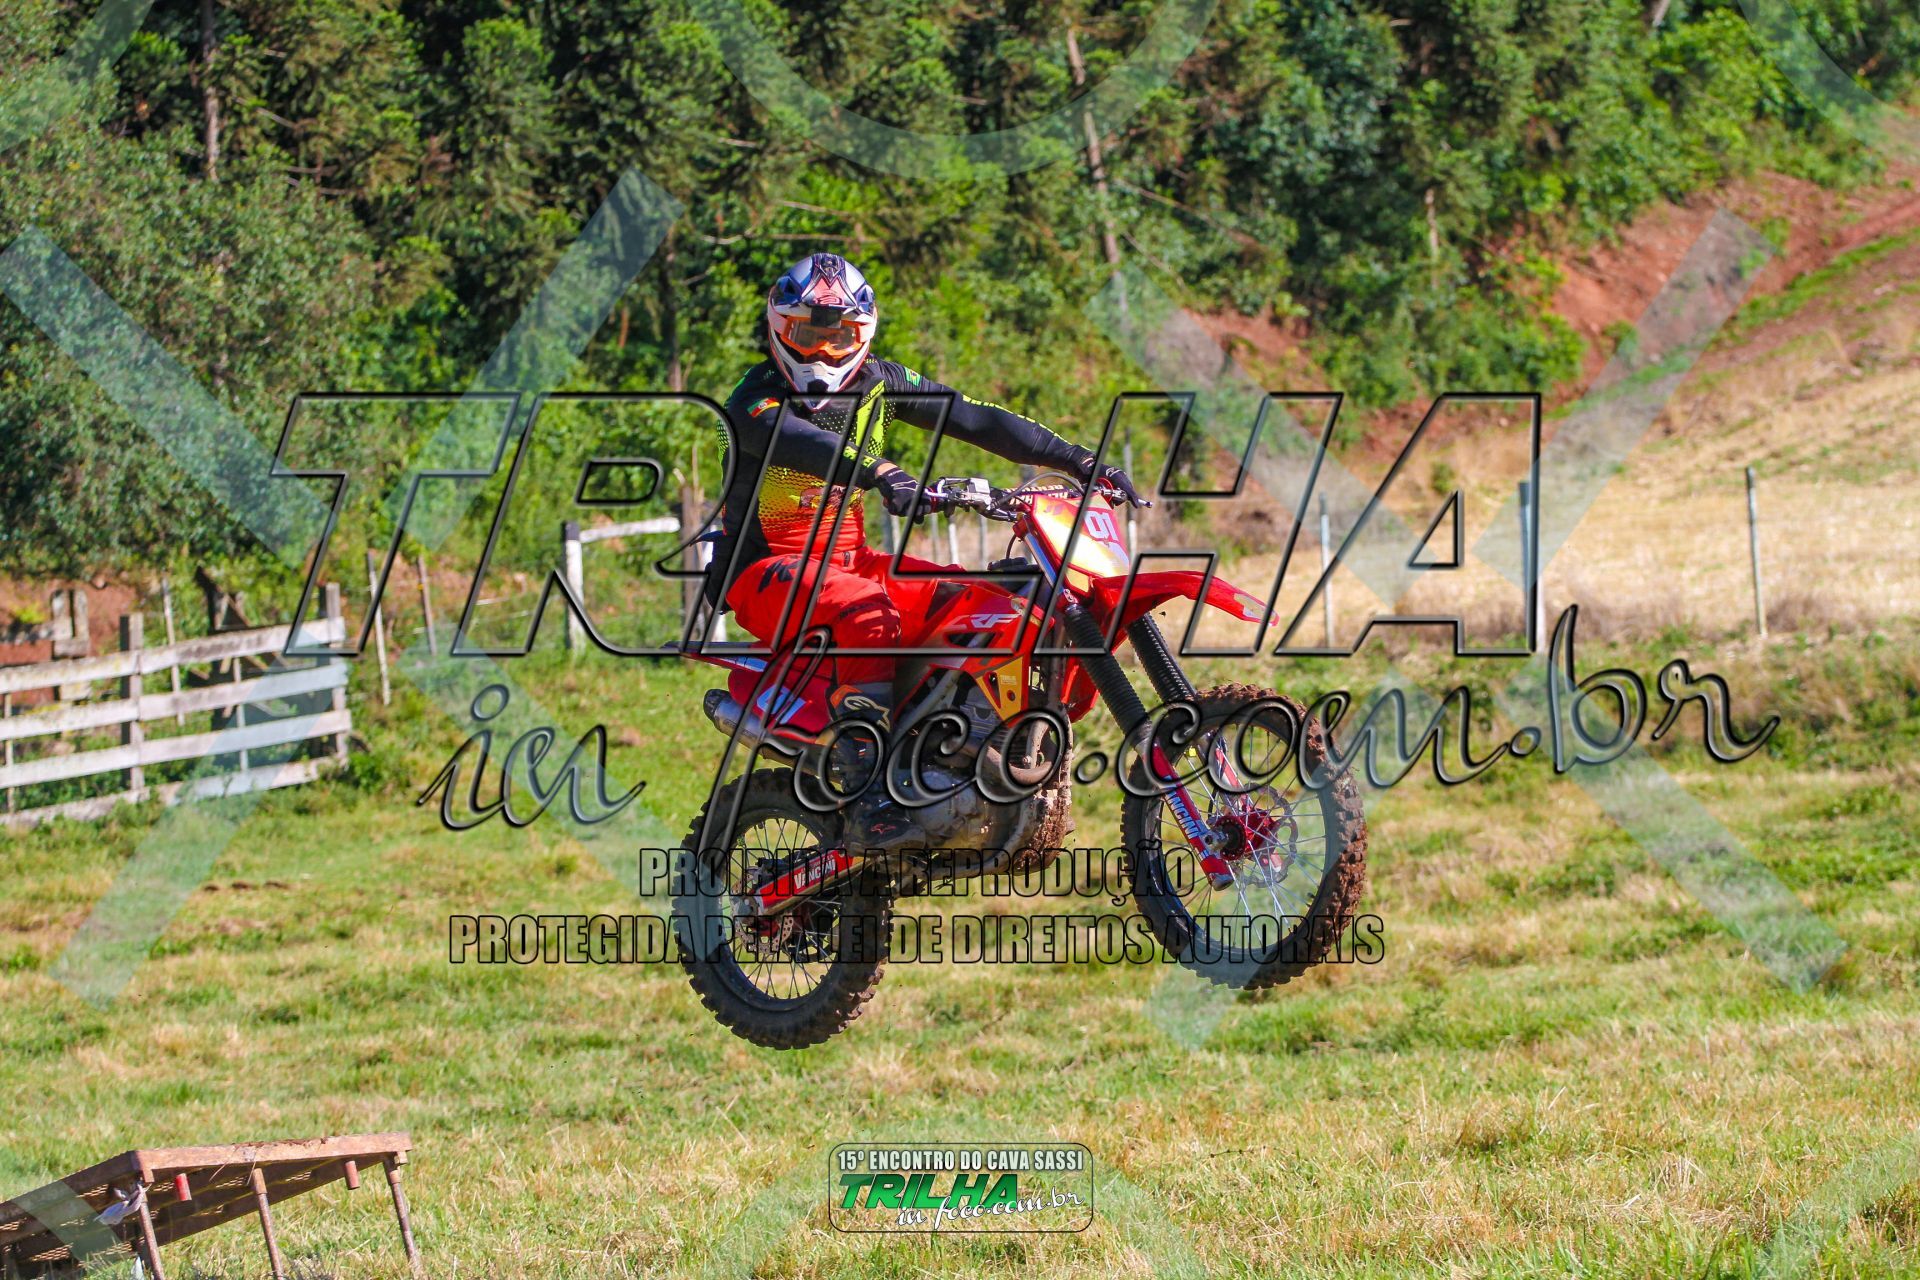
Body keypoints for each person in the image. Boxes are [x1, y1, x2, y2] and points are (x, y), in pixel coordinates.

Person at [710, 252, 1145, 850]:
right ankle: (869, 798)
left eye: (840, 337)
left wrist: (1079, 460)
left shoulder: (881, 382)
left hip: (849, 562)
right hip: (764, 571)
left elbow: (974, 418)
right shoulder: (752, 401)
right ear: (779, 329)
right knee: (867, 612)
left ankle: (955, 748)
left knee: (980, 600)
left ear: (863, 335)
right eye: (808, 335)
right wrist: (882, 472)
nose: (823, 353)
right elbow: (803, 442)